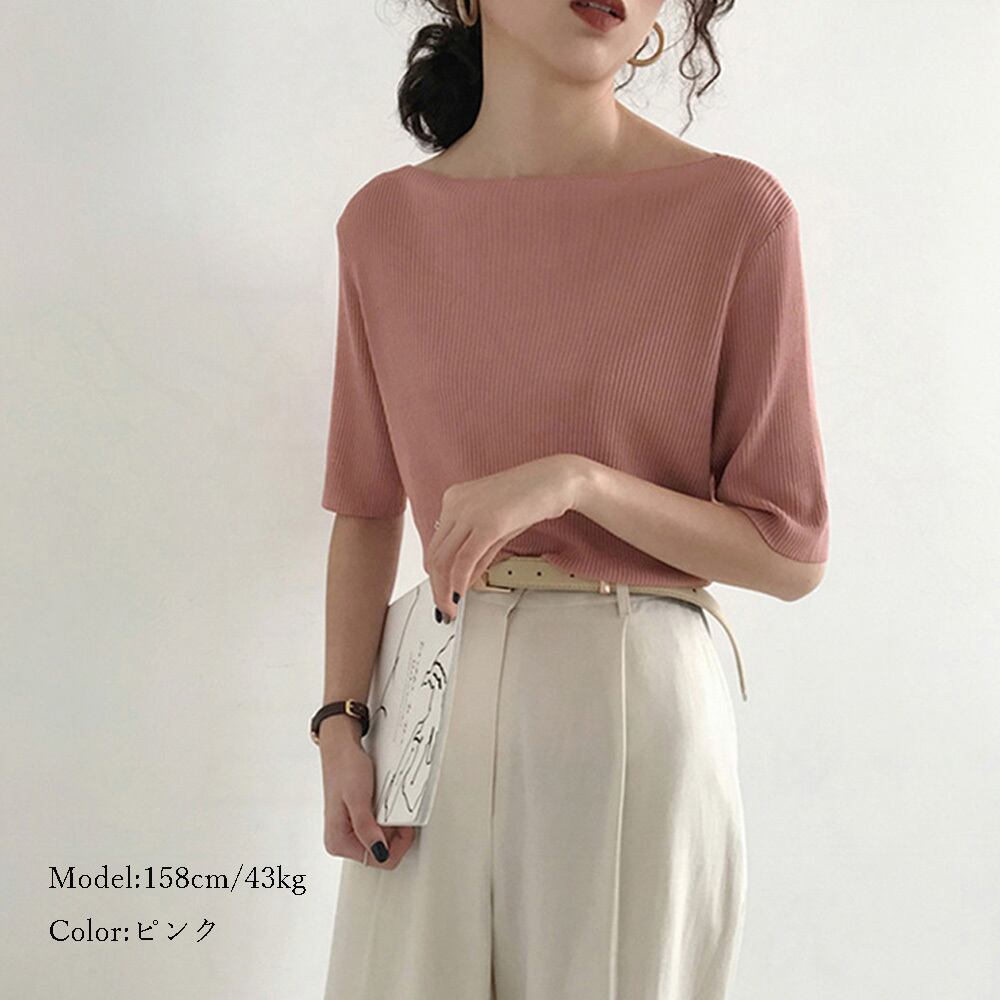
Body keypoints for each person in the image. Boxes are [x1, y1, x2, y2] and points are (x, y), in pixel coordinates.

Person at [314, 1, 830, 998]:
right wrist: (340, 721)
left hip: (631, 694)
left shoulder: (733, 213)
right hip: (426, 705)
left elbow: (789, 551)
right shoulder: (383, 224)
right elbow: (366, 501)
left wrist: (578, 481)